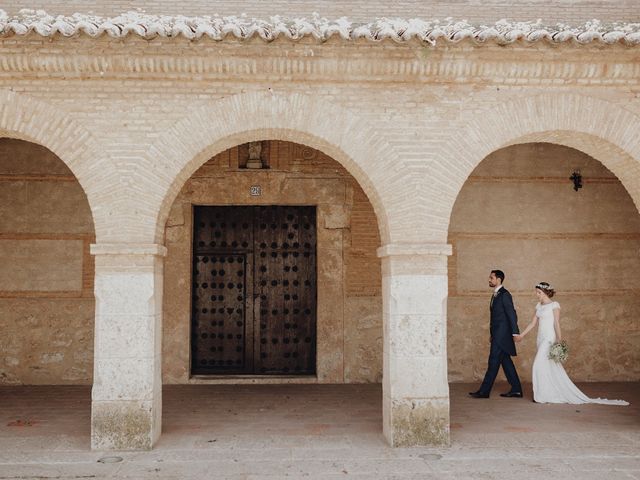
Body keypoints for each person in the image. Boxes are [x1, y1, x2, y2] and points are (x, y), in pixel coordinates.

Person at [516, 282, 629, 405]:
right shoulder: (538, 306)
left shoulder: (554, 305)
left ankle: (541, 395)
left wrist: (559, 340)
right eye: (536, 292)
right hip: (540, 338)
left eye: (539, 292)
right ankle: (545, 393)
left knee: (538, 365)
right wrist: (522, 335)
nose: (537, 295)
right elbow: (533, 324)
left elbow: (556, 323)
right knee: (546, 366)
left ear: (546, 292)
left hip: (549, 338)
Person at [469, 270, 522, 398]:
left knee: (493, 362)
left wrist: (515, 333)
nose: (489, 279)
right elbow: (496, 318)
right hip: (497, 335)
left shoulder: (504, 294)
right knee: (506, 362)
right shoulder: (495, 295)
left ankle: (484, 391)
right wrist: (492, 334)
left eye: (491, 277)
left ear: (498, 279)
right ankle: (516, 389)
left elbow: (512, 314)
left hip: (502, 336)